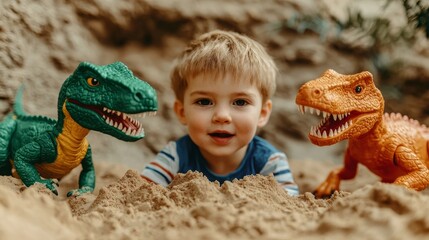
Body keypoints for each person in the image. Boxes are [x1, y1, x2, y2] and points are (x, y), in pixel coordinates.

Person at [141, 30, 299, 195]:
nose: (222, 116)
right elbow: (142, 191)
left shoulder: (269, 162)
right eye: (204, 101)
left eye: (240, 102)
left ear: (262, 113)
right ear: (182, 112)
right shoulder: (175, 156)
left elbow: (290, 203)